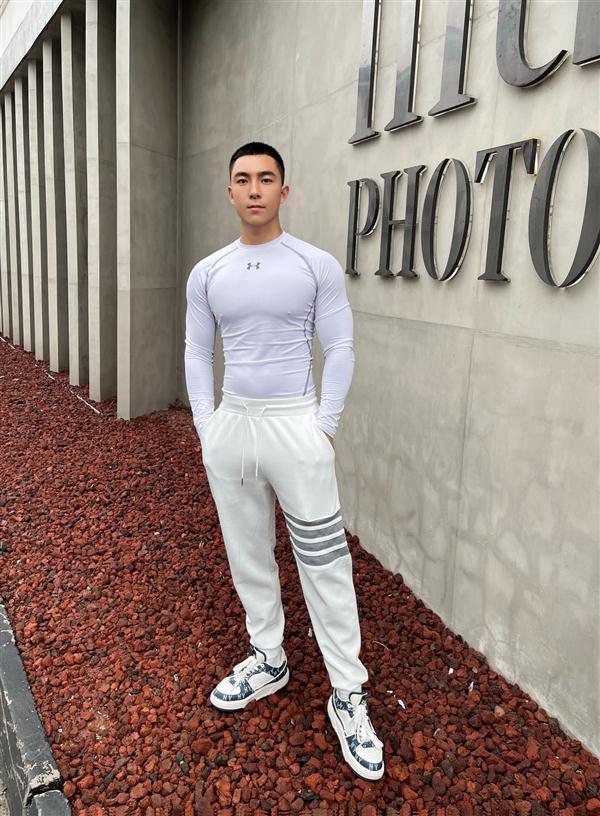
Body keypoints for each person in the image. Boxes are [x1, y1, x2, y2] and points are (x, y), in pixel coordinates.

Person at [184, 141, 384, 781]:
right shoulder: (208, 272)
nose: (254, 189)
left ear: (284, 190)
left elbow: (341, 346)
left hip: (297, 425)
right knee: (247, 552)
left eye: (266, 178)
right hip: (234, 428)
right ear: (229, 191)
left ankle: (347, 690)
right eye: (243, 179)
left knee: (325, 560)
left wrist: (325, 426)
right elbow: (196, 351)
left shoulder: (314, 264)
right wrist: (207, 425)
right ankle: (268, 656)